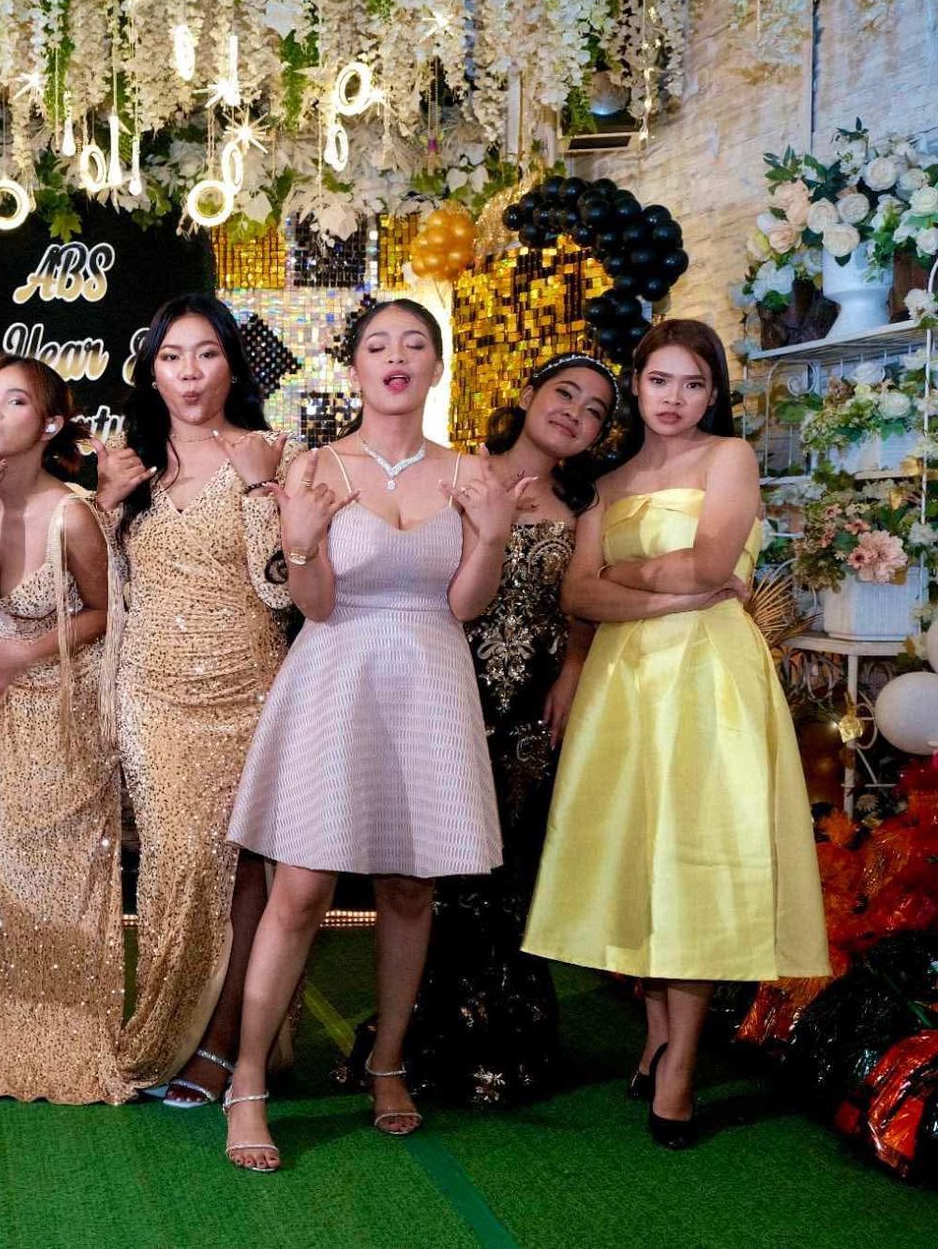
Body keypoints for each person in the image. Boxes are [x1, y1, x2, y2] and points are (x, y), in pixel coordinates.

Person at [221, 300, 527, 1171]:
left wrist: (495, 533)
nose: (396, 359)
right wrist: (306, 543)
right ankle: (249, 1078)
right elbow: (312, 605)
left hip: (429, 676)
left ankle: (388, 1060)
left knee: (409, 887)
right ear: (353, 368)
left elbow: (465, 605)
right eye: (378, 346)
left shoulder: (471, 472)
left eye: (415, 345)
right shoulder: (316, 466)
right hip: (336, 673)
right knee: (303, 887)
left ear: (435, 367)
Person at [524, 319, 831, 1148]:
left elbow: (709, 562)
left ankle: (682, 1067)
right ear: (638, 383)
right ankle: (657, 1033)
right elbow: (580, 598)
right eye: (660, 380)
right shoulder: (609, 479)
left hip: (708, 683)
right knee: (640, 857)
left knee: (692, 859)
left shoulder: (729, 458)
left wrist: (632, 576)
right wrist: (661, 589)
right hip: (625, 686)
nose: (675, 398)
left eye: (693, 384)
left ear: (714, 392)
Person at [335, 352, 618, 1105]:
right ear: (527, 393)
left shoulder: (583, 505)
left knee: (507, 870)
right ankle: (413, 1037)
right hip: (444, 686)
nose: (574, 414)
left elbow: (579, 604)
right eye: (564, 393)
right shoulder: (460, 472)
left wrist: (572, 672)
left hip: (530, 702)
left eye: (593, 410)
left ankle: (502, 1039)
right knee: (433, 869)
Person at [91, 295, 298, 1108]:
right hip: (154, 692)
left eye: (206, 353)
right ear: (151, 370)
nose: (189, 372)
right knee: (177, 868)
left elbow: (278, 588)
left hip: (249, 686)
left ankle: (222, 1044)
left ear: (232, 366)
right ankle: (169, 1027)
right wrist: (106, 508)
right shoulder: (126, 459)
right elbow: (107, 587)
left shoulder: (268, 454)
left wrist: (257, 493)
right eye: (172, 355)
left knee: (243, 869)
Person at [0, 355, 127, 1104]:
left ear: (48, 425)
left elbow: (105, 612)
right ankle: (8, 1032)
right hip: (2, 710)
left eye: (15, 401)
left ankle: (73, 1032)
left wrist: (23, 651)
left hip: (65, 708)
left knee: (69, 870)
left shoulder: (74, 512)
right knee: (12, 861)